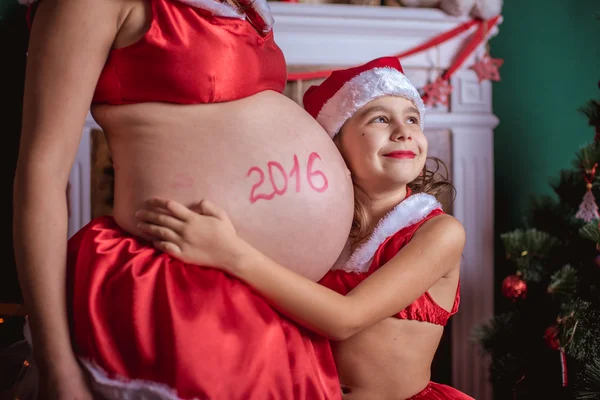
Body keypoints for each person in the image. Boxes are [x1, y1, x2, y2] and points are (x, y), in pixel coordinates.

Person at [12, 0, 355, 398]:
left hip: (267, 295)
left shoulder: (240, 5)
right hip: (174, 298)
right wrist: (57, 367)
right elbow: (42, 175)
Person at [135, 56, 474, 399]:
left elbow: (345, 319)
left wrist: (229, 252)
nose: (404, 131)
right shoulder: (317, 229)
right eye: (381, 119)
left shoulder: (439, 233)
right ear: (335, 144)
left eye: (413, 119)